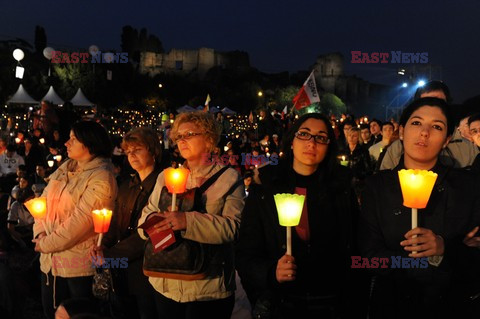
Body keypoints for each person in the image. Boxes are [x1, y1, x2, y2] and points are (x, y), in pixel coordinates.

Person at [359, 97, 480, 318]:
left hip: (451, 306)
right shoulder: (378, 186)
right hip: (392, 305)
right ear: (402, 131)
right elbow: (369, 258)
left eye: (436, 126)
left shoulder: (467, 187)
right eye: (416, 123)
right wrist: (414, 261)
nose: (424, 132)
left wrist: (444, 248)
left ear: (447, 139)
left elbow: (475, 254)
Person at [236, 113, 361, 318]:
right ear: (292, 141)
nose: (311, 143)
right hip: (283, 303)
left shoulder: (341, 188)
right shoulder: (266, 188)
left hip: (332, 302)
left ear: (328, 145)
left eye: (321, 137)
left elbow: (355, 244)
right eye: (304, 134)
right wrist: (270, 273)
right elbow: (245, 254)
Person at [137, 111, 245, 319]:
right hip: (165, 282)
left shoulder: (229, 179)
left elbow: (234, 227)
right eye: (179, 136)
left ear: (209, 139)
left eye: (189, 134)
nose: (182, 140)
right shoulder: (165, 177)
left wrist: (186, 221)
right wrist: (155, 223)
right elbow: (146, 216)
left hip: (208, 288)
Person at [32, 121, 118, 319]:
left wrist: (46, 243)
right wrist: (40, 232)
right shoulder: (65, 168)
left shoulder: (101, 177)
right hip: (49, 263)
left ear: (90, 144)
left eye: (73, 139)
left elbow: (80, 222)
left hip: (77, 267)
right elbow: (42, 203)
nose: (67, 143)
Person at [94, 128, 162, 319]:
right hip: (123, 269)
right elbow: (115, 223)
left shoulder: (163, 186)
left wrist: (110, 254)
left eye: (137, 150)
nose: (132, 156)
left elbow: (151, 231)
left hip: (148, 269)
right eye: (128, 151)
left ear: (153, 151)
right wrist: (102, 245)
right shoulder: (127, 186)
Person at [380, 81, 479, 169]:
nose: (432, 108)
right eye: (426, 102)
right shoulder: (397, 149)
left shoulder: (468, 148)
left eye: (439, 102)